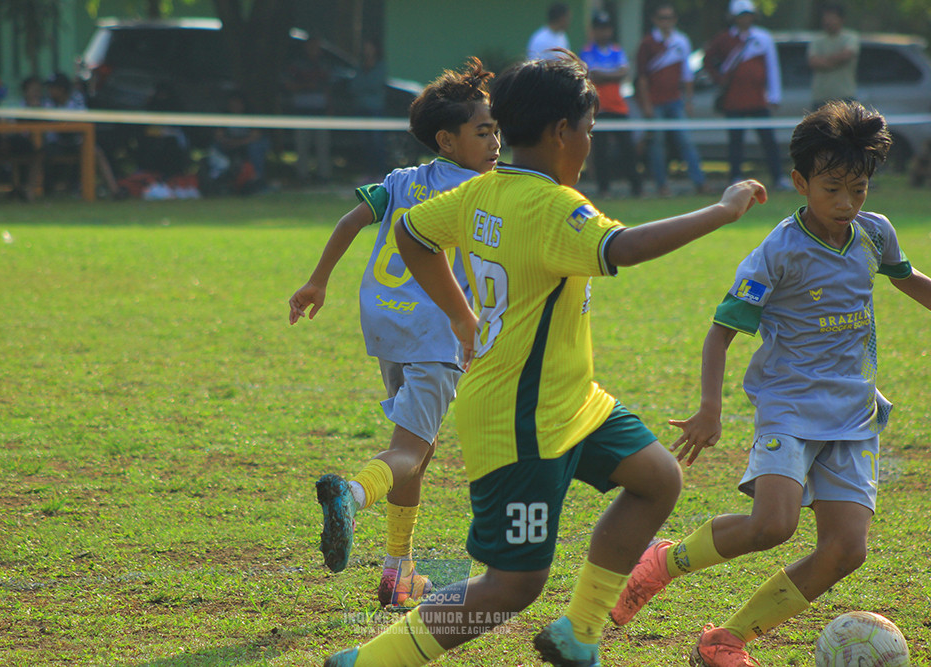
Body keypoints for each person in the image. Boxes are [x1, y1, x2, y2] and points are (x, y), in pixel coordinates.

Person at [324, 53, 766, 667]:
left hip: (573, 400)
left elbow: (412, 235)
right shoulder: (555, 209)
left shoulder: (483, 189)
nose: (590, 140)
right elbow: (626, 247)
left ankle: (579, 633)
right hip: (520, 419)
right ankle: (365, 662)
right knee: (512, 585)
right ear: (562, 131)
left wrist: (459, 313)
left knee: (657, 479)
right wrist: (723, 211)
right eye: (589, 126)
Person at [609, 101, 931, 666]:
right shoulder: (775, 254)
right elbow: (720, 335)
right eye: (833, 189)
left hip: (854, 412)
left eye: (859, 190)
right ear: (800, 182)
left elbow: (911, 283)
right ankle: (664, 560)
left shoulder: (874, 235)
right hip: (789, 406)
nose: (847, 204)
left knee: (845, 550)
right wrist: (710, 409)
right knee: (772, 525)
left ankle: (725, 640)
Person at [288, 59, 500, 609]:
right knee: (411, 447)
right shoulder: (482, 191)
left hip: (384, 324)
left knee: (415, 450)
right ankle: (351, 495)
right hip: (437, 330)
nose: (496, 141)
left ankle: (397, 573)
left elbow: (352, 219)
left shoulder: (403, 180)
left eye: (496, 129)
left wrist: (317, 281)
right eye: (484, 131)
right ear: (447, 140)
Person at [704, 0, 789, 189]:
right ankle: (735, 177)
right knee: (736, 141)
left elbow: (772, 67)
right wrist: (719, 79)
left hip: (758, 99)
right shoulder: (724, 39)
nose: (745, 19)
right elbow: (707, 60)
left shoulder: (763, 37)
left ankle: (778, 177)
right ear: (734, 17)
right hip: (733, 101)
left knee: (768, 140)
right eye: (741, 15)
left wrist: (774, 96)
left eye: (748, 14)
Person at [636, 2, 709, 197]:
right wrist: (646, 104)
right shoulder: (648, 43)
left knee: (685, 141)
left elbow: (686, 74)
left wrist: (688, 100)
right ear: (655, 20)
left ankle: (700, 183)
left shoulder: (681, 41)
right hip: (656, 101)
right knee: (657, 145)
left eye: (669, 18)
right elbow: (642, 77)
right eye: (662, 18)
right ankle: (662, 185)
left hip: (675, 100)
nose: (666, 22)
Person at [580, 10, 642, 198]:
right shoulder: (587, 51)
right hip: (598, 109)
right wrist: (612, 73)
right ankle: (604, 188)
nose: (604, 33)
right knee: (601, 152)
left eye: (606, 28)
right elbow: (591, 74)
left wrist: (604, 74)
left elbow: (624, 72)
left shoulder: (616, 50)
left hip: (618, 107)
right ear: (594, 31)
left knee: (627, 149)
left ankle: (636, 187)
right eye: (600, 29)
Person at [43, 72, 123, 198]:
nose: (49, 91)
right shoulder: (47, 102)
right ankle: (33, 191)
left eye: (52, 88)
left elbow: (82, 121)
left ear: (61, 89)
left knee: (95, 151)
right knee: (38, 154)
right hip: (55, 143)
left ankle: (115, 191)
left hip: (75, 142)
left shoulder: (76, 98)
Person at [283, 34, 333, 182]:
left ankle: (324, 177)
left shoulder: (324, 64)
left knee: (323, 147)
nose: (314, 49)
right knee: (302, 146)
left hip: (320, 112)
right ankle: (302, 176)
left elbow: (328, 88)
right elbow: (288, 85)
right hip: (302, 112)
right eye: (312, 45)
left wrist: (330, 107)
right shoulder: (297, 64)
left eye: (317, 46)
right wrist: (306, 86)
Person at [205, 90, 270, 195]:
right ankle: (216, 179)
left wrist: (237, 143)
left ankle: (257, 178)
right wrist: (229, 142)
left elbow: (256, 136)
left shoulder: (250, 115)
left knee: (257, 146)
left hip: (246, 145)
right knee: (215, 147)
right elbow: (218, 136)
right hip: (229, 145)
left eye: (237, 103)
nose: (235, 106)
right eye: (232, 104)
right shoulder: (224, 115)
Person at [808, 3, 859, 108]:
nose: (828, 21)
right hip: (821, 98)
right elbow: (813, 61)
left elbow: (847, 55)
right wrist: (835, 61)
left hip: (845, 97)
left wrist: (824, 61)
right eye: (826, 18)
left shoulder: (850, 37)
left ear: (841, 19)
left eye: (832, 18)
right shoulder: (817, 40)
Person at [349, 39, 388, 180]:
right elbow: (354, 86)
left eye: (369, 48)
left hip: (376, 109)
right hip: (361, 108)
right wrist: (365, 84)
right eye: (365, 48)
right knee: (364, 142)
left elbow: (375, 85)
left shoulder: (380, 66)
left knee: (377, 142)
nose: (367, 51)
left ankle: (380, 173)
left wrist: (365, 84)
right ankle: (368, 173)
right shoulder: (359, 67)